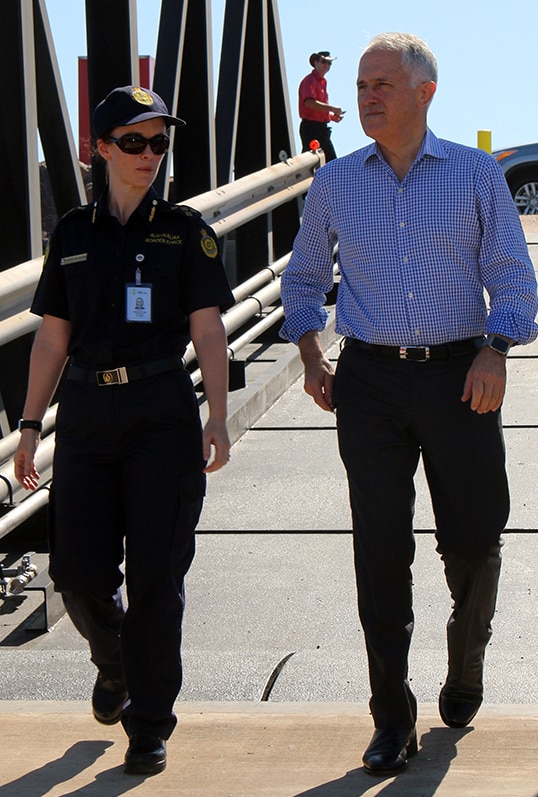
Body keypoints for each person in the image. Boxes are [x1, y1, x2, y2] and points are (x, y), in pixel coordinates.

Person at [281, 33, 538, 777]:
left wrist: (497, 345)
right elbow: (301, 281)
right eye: (361, 84)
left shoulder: (473, 174)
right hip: (367, 384)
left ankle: (465, 658)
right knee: (379, 549)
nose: (366, 96)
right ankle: (390, 717)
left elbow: (511, 275)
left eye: (382, 84)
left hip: (462, 374)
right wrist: (308, 351)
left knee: (475, 536)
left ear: (425, 92)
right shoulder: (335, 183)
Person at [14, 85, 234, 776]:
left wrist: (218, 415)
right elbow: (51, 338)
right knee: (77, 575)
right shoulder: (73, 234)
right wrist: (27, 425)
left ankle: (148, 723)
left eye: (160, 142)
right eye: (134, 142)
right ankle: (113, 664)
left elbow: (208, 330)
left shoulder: (187, 230)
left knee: (157, 577)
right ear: (101, 149)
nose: (150, 155)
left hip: (161, 415)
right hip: (84, 418)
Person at [298, 51, 345, 163]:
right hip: (311, 128)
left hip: (320, 128)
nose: (327, 65)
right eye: (324, 62)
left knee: (331, 163)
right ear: (316, 62)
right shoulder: (310, 80)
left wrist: (332, 117)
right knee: (311, 163)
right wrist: (332, 109)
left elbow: (315, 109)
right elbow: (309, 103)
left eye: (329, 63)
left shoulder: (322, 82)